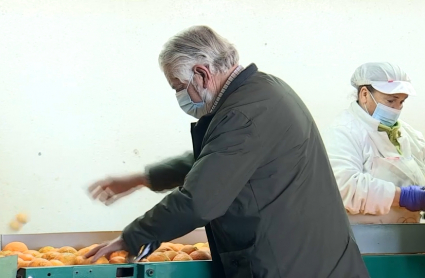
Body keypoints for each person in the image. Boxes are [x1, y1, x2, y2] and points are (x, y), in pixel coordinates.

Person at [85, 26, 369, 277]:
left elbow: (199, 201)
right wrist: (143, 179)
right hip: (311, 257)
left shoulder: (244, 115)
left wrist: (132, 238)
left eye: (179, 88)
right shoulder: (263, 91)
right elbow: (215, 159)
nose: (180, 98)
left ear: (201, 74)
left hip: (290, 264)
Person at [323, 62, 425, 224]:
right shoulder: (343, 131)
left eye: (401, 102)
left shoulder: (408, 133)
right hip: (364, 241)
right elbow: (343, 186)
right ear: (364, 94)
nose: (396, 109)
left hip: (406, 239)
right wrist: (404, 196)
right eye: (391, 101)